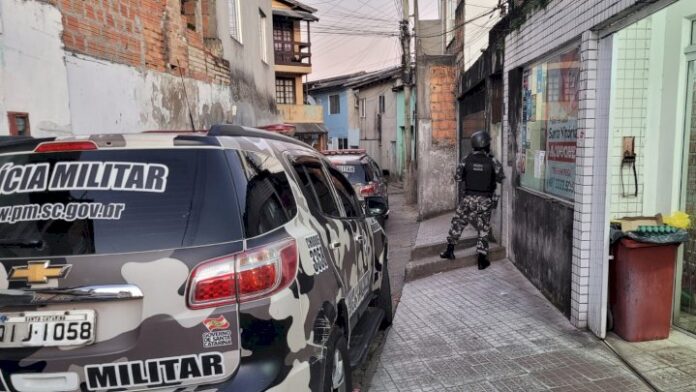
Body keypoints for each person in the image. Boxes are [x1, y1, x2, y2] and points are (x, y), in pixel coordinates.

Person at [440, 130, 505, 270]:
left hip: (468, 198)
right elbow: (501, 178)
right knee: (483, 228)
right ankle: (482, 260)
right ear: (485, 144)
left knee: (458, 222)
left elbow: (457, 178)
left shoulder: (466, 159)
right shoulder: (492, 161)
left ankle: (450, 251)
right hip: (485, 200)